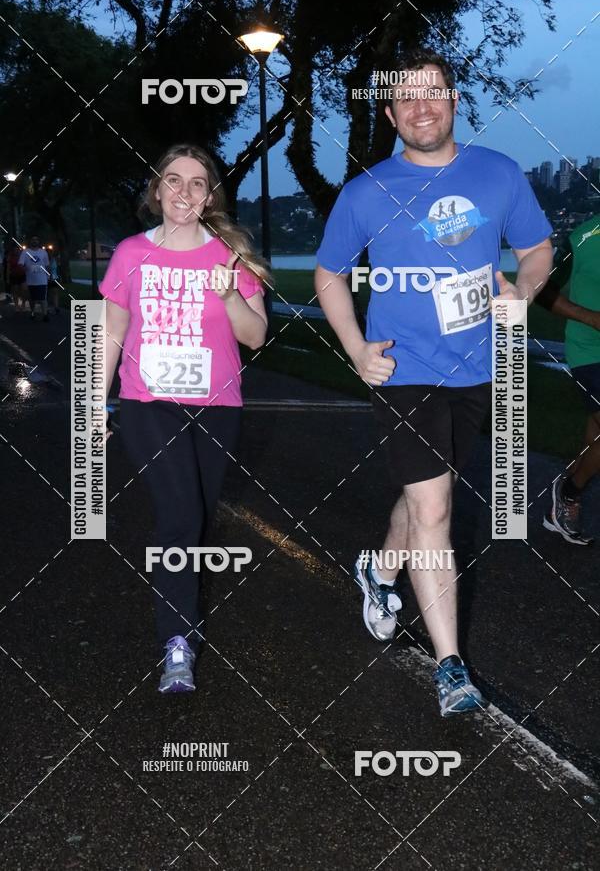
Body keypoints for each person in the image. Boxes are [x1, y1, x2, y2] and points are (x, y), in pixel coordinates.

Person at [315, 49, 553, 717]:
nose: (423, 106)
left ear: (454, 100)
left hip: (476, 368)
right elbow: (329, 274)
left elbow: (537, 250)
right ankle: (451, 668)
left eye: (435, 93)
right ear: (390, 113)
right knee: (435, 511)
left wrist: (524, 293)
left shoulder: (499, 175)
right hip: (402, 368)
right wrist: (357, 348)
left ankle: (380, 569)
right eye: (408, 98)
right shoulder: (366, 192)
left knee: (428, 496)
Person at [100, 144, 268, 693]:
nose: (184, 192)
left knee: (196, 520)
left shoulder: (230, 255)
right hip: (148, 403)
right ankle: (177, 642)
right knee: (177, 517)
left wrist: (229, 295)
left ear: (209, 195)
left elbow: (254, 336)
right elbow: (110, 334)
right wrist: (91, 404)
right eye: (173, 181)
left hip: (217, 407)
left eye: (197, 183)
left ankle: (179, 620)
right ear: (156, 191)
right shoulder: (130, 253)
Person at [535, 216, 600, 545]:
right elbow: (540, 290)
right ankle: (569, 493)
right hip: (590, 351)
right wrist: (590, 318)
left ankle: (564, 498)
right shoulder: (582, 236)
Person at [19, 236, 50, 321]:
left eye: (36, 240)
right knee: (32, 299)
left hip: (42, 280)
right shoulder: (25, 252)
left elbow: (47, 265)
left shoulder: (43, 252)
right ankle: (32, 312)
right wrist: (24, 269)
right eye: (33, 240)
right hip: (30, 280)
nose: (35, 241)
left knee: (43, 298)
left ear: (39, 242)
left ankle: (45, 315)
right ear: (30, 242)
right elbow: (21, 264)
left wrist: (48, 275)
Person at [7, 246, 28, 312]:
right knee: (15, 290)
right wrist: (7, 277)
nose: (16, 250)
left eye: (17, 249)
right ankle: (16, 306)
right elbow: (8, 267)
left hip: (22, 275)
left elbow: (26, 265)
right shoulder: (10, 257)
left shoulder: (22, 256)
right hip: (14, 275)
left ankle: (23, 304)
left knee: (24, 289)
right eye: (14, 249)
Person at [47, 249, 61, 314]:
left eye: (51, 253)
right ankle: (48, 307)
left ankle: (56, 307)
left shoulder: (54, 259)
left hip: (55, 278)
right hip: (47, 279)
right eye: (48, 253)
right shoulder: (45, 261)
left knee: (55, 292)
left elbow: (57, 268)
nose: (50, 254)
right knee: (48, 294)